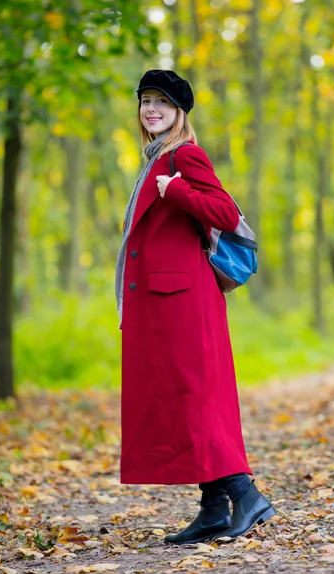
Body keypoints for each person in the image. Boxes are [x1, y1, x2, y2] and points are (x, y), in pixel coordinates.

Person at [115, 69, 276, 544]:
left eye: (162, 103)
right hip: (166, 301)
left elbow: (226, 213)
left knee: (196, 399)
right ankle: (212, 509)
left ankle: (246, 497)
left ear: (179, 112)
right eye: (146, 101)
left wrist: (178, 190)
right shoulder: (154, 158)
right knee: (182, 398)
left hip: (185, 301)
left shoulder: (185, 154)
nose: (152, 109)